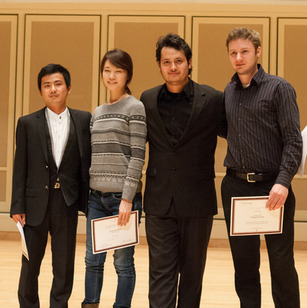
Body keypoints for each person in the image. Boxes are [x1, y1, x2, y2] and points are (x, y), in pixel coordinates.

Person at [140, 33, 226, 308]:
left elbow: (238, 134)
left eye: (179, 61)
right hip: (158, 199)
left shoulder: (212, 99)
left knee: (192, 276)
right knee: (161, 274)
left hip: (197, 201)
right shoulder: (147, 99)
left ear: (189, 63)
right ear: (159, 65)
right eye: (167, 62)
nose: (173, 67)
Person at [222, 27, 302, 308]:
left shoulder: (279, 88)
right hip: (236, 186)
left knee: (280, 263)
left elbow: (294, 142)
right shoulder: (229, 91)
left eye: (244, 51)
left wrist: (282, 182)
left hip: (273, 187)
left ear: (258, 51)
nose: (239, 57)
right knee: (244, 264)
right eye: (233, 53)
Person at [10, 63, 91, 307]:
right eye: (47, 85)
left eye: (58, 84)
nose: (53, 89)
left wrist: (88, 202)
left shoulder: (84, 120)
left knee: (64, 265)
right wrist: (17, 205)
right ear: (41, 91)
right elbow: (20, 166)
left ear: (68, 88)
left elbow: (86, 163)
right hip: (34, 205)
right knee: (30, 264)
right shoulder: (27, 123)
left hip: (66, 202)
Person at [81, 49, 147, 308]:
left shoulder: (135, 107)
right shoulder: (97, 112)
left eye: (118, 71)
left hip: (123, 199)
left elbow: (138, 156)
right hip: (96, 199)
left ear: (127, 74)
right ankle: (90, 304)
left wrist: (128, 199)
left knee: (123, 263)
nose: (111, 76)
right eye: (107, 70)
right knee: (92, 260)